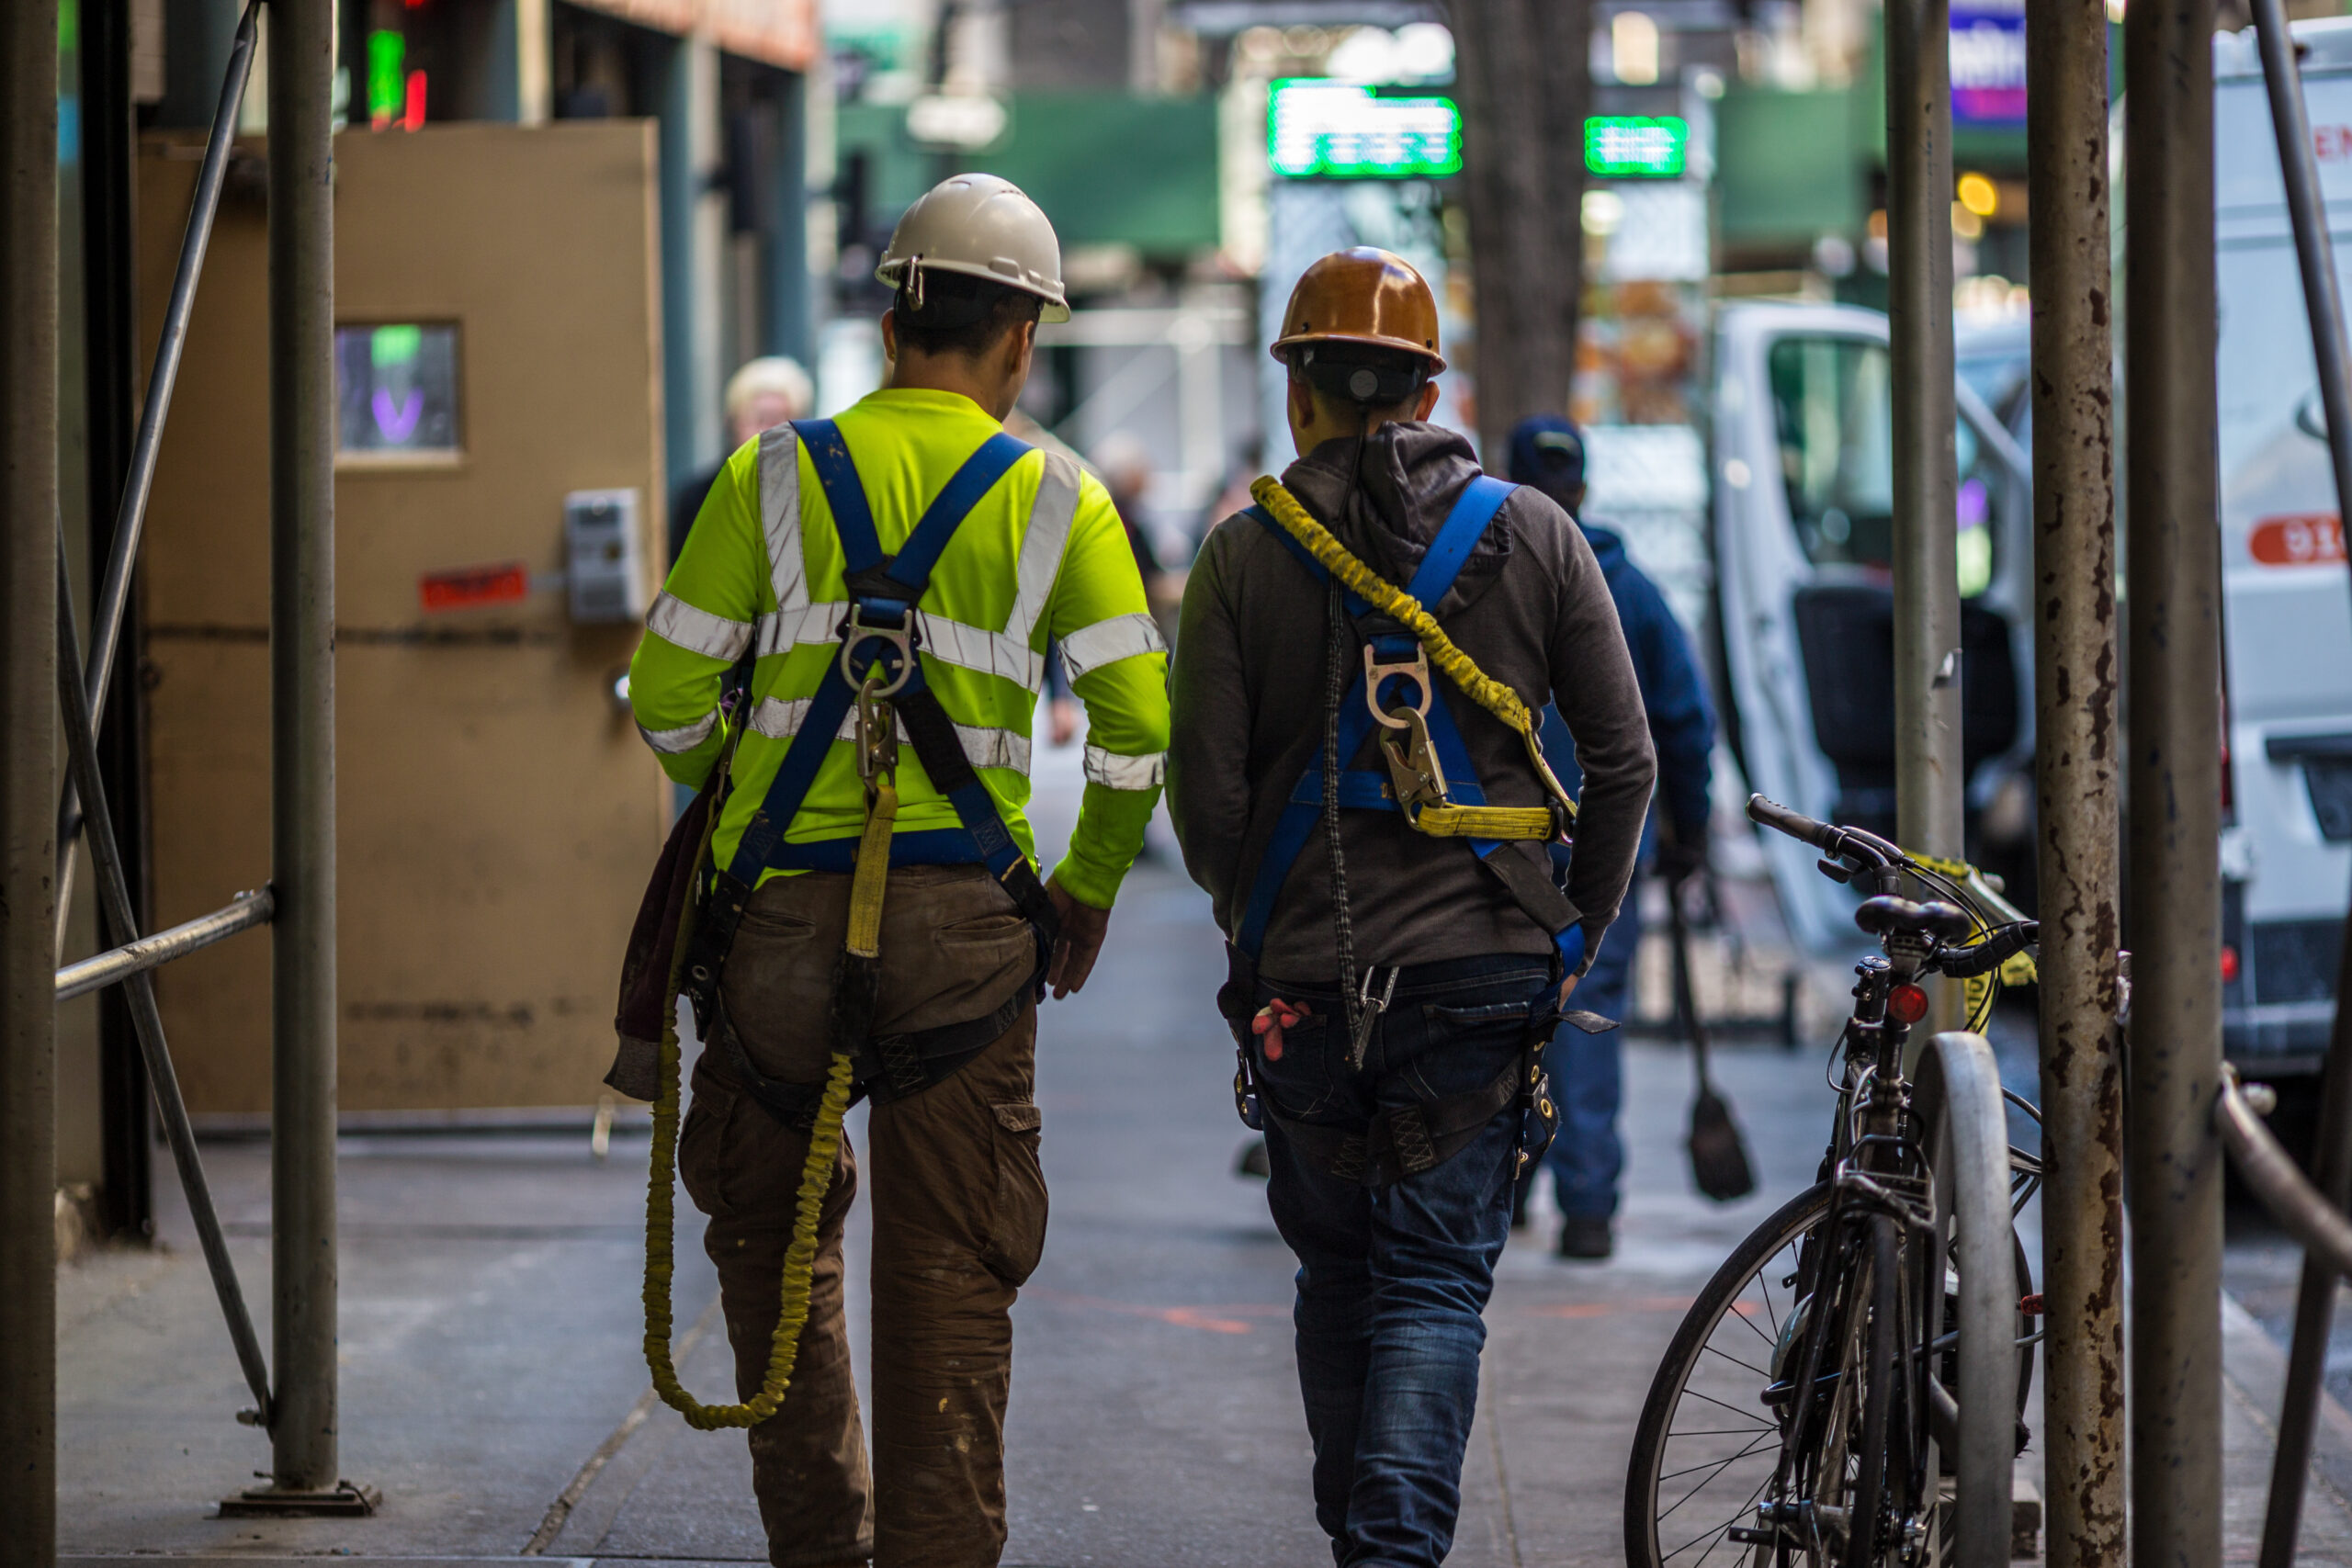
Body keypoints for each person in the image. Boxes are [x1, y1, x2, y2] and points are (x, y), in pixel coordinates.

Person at [627, 172, 1169, 1568]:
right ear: (1020, 343)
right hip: (969, 939)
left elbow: (666, 695)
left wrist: (752, 771)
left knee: (779, 1251)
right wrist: (1086, 886)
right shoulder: (1063, 497)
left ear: (888, 326)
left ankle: (823, 1546)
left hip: (776, 935)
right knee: (945, 1280)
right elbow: (1135, 730)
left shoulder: (771, 475)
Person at [1167, 248, 1654, 1568]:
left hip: (1306, 984)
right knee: (1435, 1278)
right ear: (1431, 386)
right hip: (1485, 977)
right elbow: (1627, 758)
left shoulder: (1240, 557)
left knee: (1339, 1273)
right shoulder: (1538, 532)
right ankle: (1394, 1552)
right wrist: (1575, 932)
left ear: (1299, 389)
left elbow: (1204, 803)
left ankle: (1364, 1541)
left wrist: (1253, 916)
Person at [1506, 414, 1716, 1260]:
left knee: (1499, 1007)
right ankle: (1588, 1209)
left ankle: (1507, 1181)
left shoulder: (1485, 578)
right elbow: (1685, 725)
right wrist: (1689, 837)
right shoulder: (1632, 590)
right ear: (1584, 489)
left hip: (1497, 847)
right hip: (1603, 848)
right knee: (1587, 1008)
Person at [1042, 433, 1165, 747]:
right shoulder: (1102, 518)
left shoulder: (1132, 520)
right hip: (1103, 653)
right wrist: (1060, 700)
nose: (1149, 478)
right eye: (1142, 471)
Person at [670, 355, 815, 564]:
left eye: (783, 419)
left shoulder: (817, 494)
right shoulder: (699, 497)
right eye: (760, 419)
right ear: (732, 422)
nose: (771, 431)